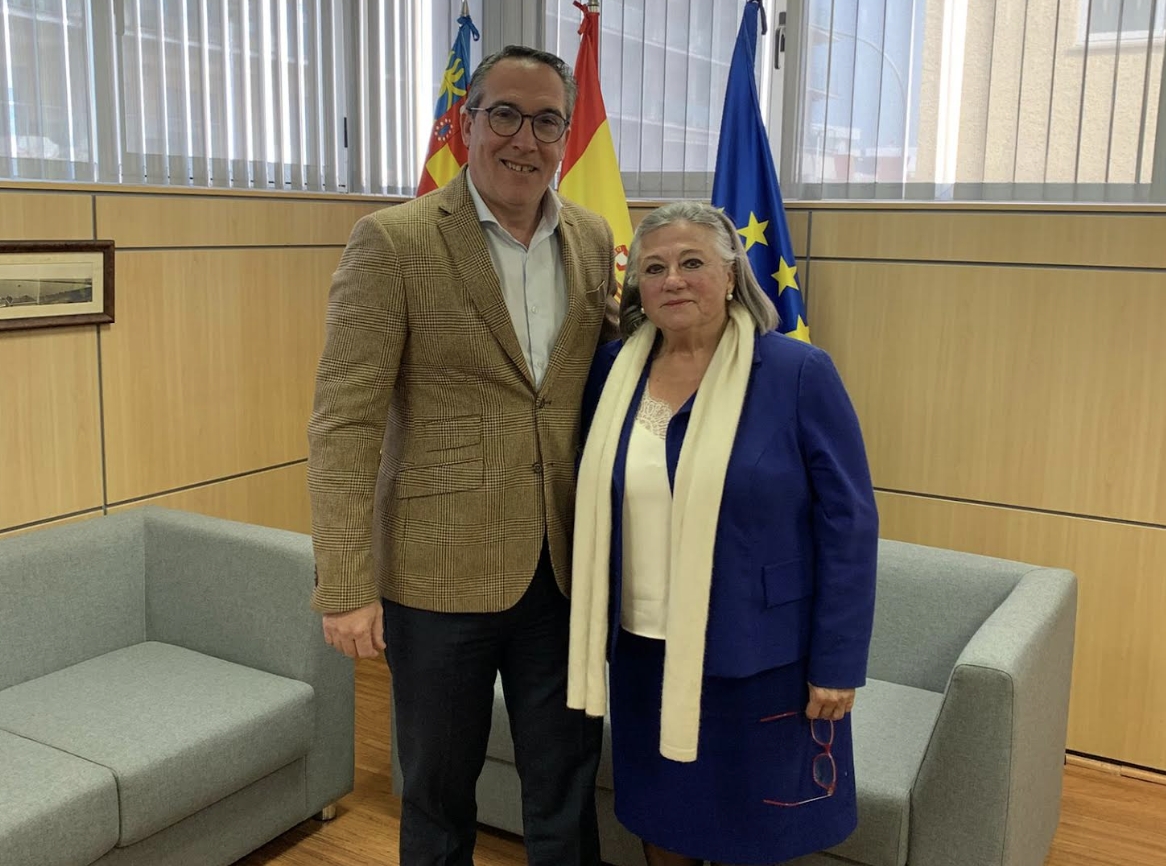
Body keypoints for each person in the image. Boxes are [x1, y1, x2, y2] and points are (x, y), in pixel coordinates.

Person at [307, 44, 618, 866]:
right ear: (466, 123)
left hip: (562, 571)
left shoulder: (591, 239)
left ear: (565, 136)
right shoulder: (393, 241)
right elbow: (344, 424)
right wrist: (346, 586)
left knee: (566, 787)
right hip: (437, 577)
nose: (524, 139)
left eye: (546, 121)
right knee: (439, 796)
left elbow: (614, 377)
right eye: (504, 114)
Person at [568, 201, 879, 866]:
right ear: (637, 285)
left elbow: (849, 526)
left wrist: (837, 663)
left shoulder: (797, 373)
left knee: (755, 834)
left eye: (692, 262)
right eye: (655, 268)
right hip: (643, 651)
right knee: (662, 822)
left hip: (761, 656)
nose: (673, 279)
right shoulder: (615, 375)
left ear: (732, 274)